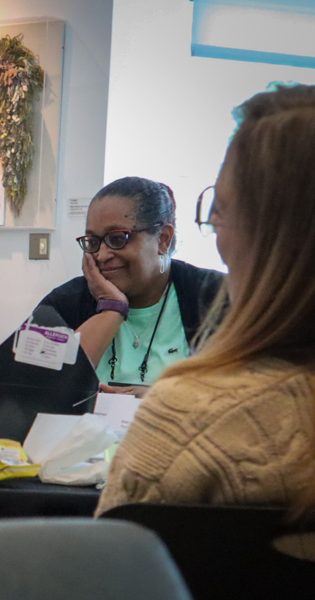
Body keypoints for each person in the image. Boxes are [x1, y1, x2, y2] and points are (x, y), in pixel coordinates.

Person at [96, 84, 315, 555]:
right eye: (91, 242)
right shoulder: (74, 298)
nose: (101, 255)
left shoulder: (192, 416)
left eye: (219, 212)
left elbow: (112, 570)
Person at [36, 177, 224, 397]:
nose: (102, 255)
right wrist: (111, 310)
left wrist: (164, 400)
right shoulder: (65, 303)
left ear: (162, 239)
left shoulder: (215, 297)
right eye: (93, 241)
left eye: (118, 239)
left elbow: (249, 395)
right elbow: (29, 394)